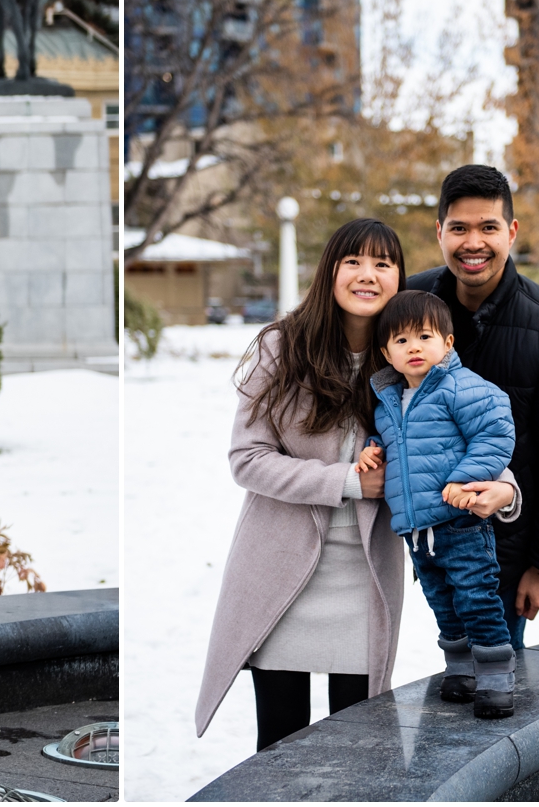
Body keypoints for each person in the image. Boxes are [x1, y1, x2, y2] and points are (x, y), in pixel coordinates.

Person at [193, 218, 521, 750]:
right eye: (354, 262)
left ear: (398, 278)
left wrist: (505, 489)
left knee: (362, 747)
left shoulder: (414, 352)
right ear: (331, 272)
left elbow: (461, 437)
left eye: (383, 264)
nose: (367, 275)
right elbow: (246, 460)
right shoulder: (283, 347)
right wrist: (348, 480)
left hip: (366, 577)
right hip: (283, 574)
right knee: (280, 747)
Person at [406, 164, 539, 650]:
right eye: (460, 228)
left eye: (488, 227)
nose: (474, 242)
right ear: (440, 233)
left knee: (494, 689)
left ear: (511, 232)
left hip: (503, 555)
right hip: (417, 543)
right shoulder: (409, 305)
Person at [360, 290, 518, 717]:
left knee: (476, 597)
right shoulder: (390, 402)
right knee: (442, 602)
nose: (414, 347)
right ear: (386, 354)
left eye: (425, 337)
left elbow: (496, 433)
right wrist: (372, 449)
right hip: (417, 531)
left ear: (447, 343)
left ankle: (496, 676)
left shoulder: (461, 387)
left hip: (460, 522)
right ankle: (461, 669)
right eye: (401, 341)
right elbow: (403, 444)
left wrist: (465, 478)